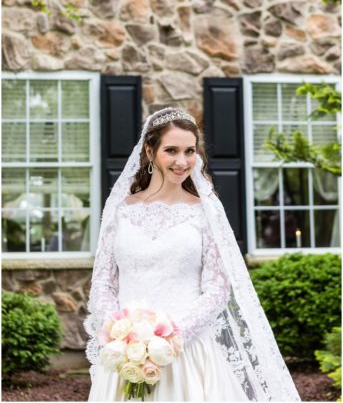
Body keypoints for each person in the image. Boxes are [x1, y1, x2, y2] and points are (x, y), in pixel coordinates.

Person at [85, 107, 300, 402]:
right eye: (171, 150)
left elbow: (216, 289)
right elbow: (102, 283)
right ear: (149, 151)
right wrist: (122, 335)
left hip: (186, 351)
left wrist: (170, 337)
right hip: (127, 355)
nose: (182, 161)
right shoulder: (120, 209)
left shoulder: (205, 211)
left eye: (190, 151)